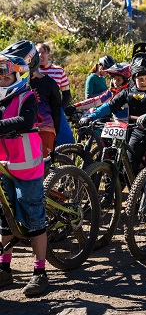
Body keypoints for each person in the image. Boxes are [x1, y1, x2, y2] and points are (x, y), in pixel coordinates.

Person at [80, 43, 146, 176]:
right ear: (133, 78)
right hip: (136, 132)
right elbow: (110, 106)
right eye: (140, 79)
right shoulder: (128, 92)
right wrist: (91, 117)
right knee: (128, 168)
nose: (143, 81)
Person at [0, 54, 49, 296]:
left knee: (33, 218)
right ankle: (4, 269)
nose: (1, 78)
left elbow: (26, 119)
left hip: (26, 166)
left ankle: (40, 273)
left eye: (5, 74)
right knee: (4, 216)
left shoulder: (27, 96)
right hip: (3, 165)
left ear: (19, 75)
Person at [2, 41, 61, 157]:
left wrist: (55, 138)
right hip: (14, 131)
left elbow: (57, 111)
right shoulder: (10, 83)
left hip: (43, 129)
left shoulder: (49, 84)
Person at [36, 43, 75, 146]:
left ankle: (66, 160)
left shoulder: (58, 71)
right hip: (37, 110)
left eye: (43, 52)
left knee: (66, 139)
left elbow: (66, 94)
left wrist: (60, 109)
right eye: (38, 52)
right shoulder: (32, 71)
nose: (40, 55)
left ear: (49, 54)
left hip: (55, 109)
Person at [66, 63, 131, 121]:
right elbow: (95, 100)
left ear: (125, 81)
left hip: (132, 125)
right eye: (113, 79)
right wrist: (75, 106)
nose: (115, 82)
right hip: (117, 123)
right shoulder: (111, 93)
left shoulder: (131, 93)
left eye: (119, 80)